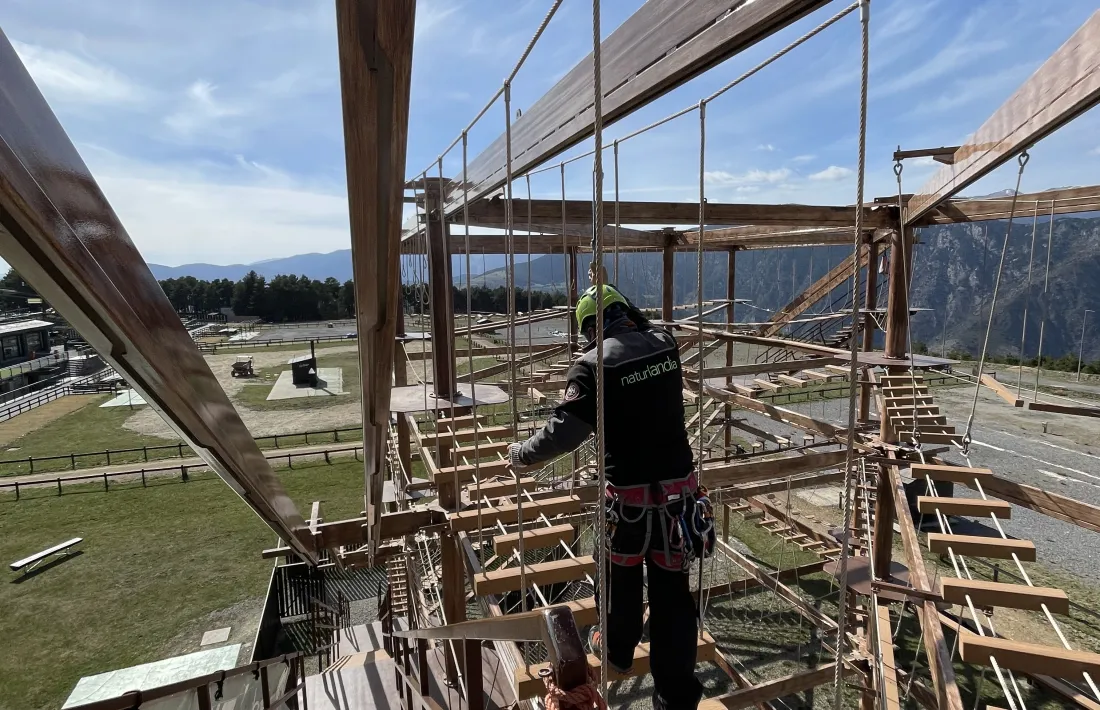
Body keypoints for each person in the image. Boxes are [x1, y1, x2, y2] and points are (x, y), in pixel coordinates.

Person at [508, 283, 707, 710]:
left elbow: (564, 434)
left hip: (631, 506)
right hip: (678, 500)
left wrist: (521, 456)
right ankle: (675, 697)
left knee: (619, 582)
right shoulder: (665, 346)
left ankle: (617, 650)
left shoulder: (590, 365)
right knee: (673, 595)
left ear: (589, 327)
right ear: (627, 311)